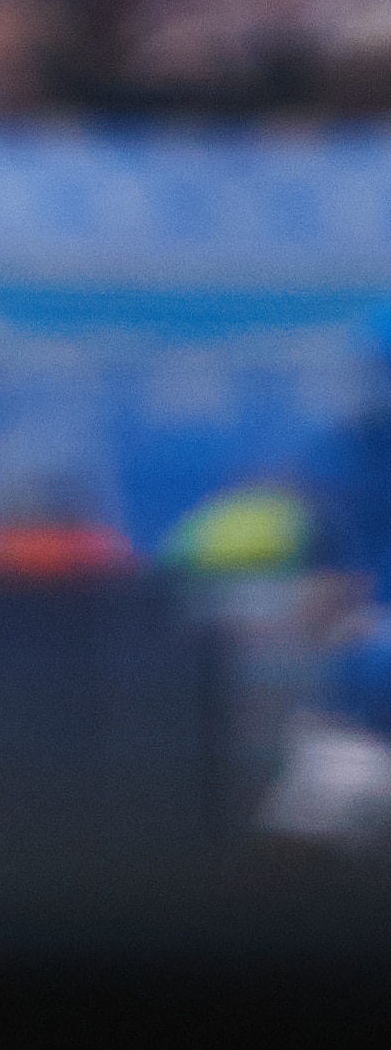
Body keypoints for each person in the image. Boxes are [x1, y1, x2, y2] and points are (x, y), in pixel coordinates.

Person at [258, 310, 391, 852]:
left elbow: (324, 599)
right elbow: (327, 593)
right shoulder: (343, 453)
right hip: (361, 681)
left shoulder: (337, 453)